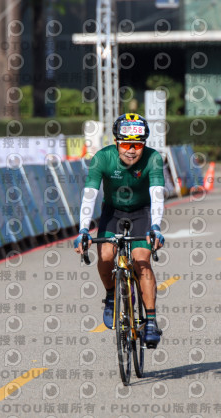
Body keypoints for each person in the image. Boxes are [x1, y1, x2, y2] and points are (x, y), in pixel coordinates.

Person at [73, 113, 165, 348]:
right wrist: (83, 229)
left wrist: (156, 226)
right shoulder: (103, 158)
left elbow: (157, 195)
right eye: (126, 144)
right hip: (112, 212)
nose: (131, 150)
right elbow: (90, 194)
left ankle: (151, 321)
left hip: (142, 212)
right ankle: (111, 295)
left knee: (141, 261)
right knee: (105, 256)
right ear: (116, 142)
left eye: (138, 145)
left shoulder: (153, 158)